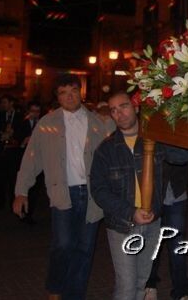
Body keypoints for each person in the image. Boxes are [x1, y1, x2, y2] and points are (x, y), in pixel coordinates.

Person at [13, 74, 115, 300]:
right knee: (63, 244)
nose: (69, 96)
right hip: (63, 193)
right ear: (57, 97)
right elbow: (31, 159)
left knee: (85, 249)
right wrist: (21, 191)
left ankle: (74, 295)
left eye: (73, 91)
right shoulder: (47, 124)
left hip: (91, 195)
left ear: (81, 92)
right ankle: (56, 287)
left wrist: (110, 112)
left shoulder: (98, 122)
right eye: (63, 92)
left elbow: (121, 136)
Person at [90, 91, 188, 300]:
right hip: (122, 226)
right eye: (114, 110)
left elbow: (182, 156)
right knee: (127, 287)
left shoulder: (153, 140)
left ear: (136, 107)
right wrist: (130, 212)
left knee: (141, 283)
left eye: (124, 106)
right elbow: (99, 191)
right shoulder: (106, 149)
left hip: (153, 223)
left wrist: (164, 124)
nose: (119, 113)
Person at [143, 159, 188, 300]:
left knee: (177, 245)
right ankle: (149, 284)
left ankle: (181, 291)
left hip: (176, 191)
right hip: (151, 192)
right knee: (152, 243)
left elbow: (183, 155)